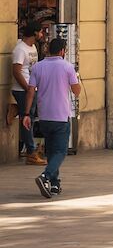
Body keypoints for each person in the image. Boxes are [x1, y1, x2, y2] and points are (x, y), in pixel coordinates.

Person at [24, 35, 79, 198]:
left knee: (51, 150)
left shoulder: (38, 67)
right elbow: (77, 91)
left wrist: (27, 114)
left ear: (48, 50)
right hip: (61, 116)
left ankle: (55, 184)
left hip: (44, 116)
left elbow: (30, 92)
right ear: (62, 51)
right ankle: (45, 176)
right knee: (61, 151)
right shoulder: (67, 67)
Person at [10, 21, 40, 164]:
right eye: (40, 31)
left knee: (30, 117)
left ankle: (14, 110)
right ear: (34, 33)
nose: (42, 34)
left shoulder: (33, 47)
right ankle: (31, 151)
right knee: (27, 118)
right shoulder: (20, 50)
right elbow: (16, 71)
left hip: (31, 89)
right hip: (23, 90)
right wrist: (27, 87)